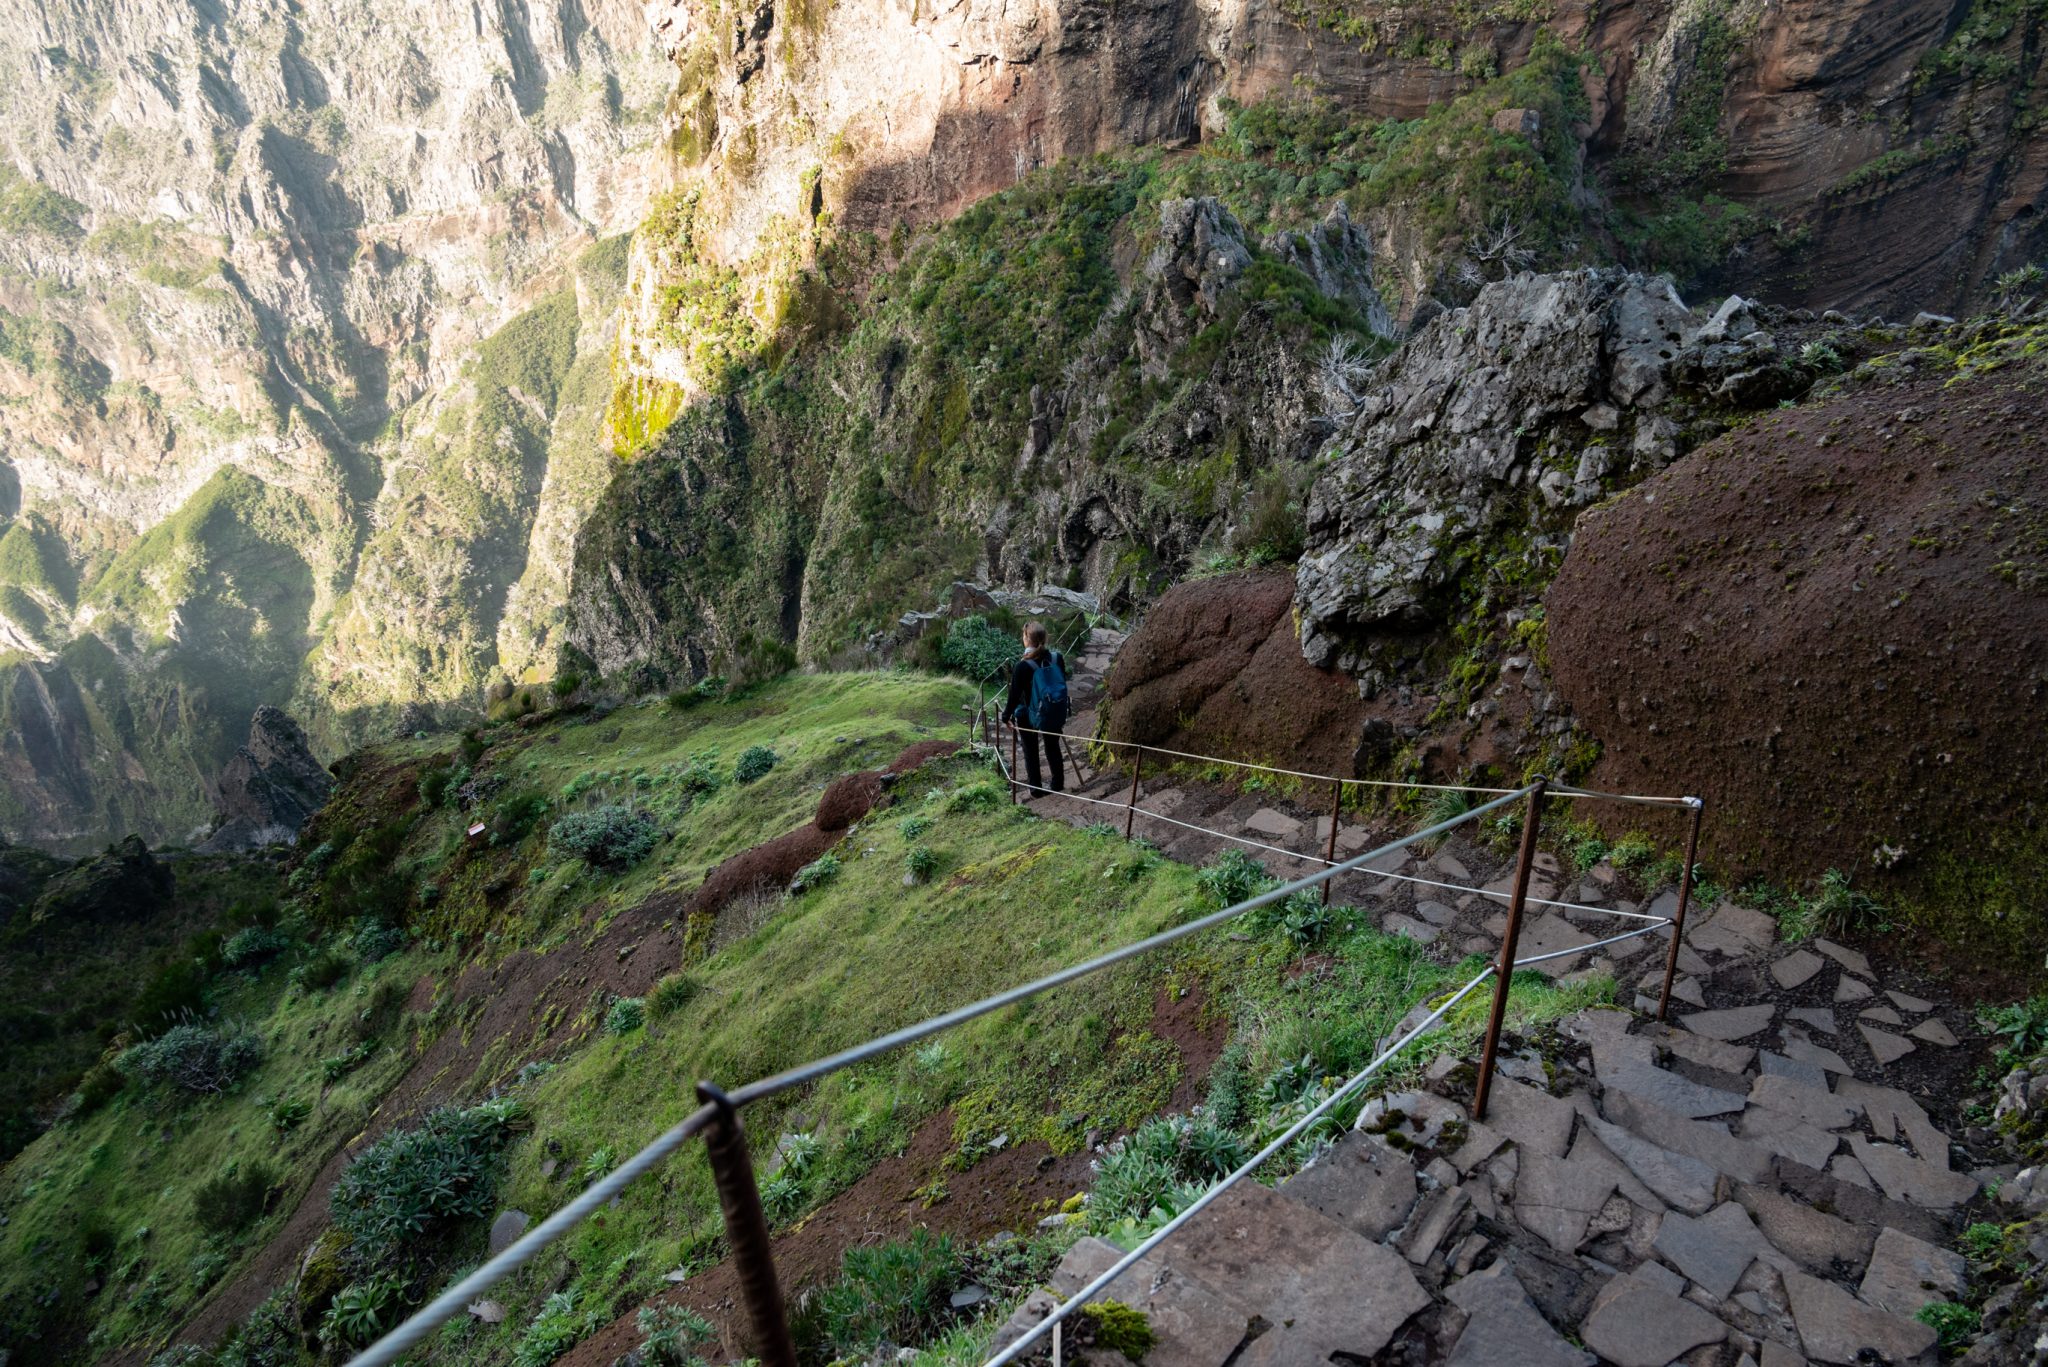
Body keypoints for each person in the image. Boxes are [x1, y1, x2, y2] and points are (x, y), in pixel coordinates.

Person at [1003, 621, 1070, 797]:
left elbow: (1014, 695)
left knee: (1030, 750)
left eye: (1023, 636)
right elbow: (1061, 682)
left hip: (1028, 713)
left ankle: (1036, 789)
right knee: (1052, 746)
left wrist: (1005, 716)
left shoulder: (1022, 666)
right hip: (1053, 708)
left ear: (1026, 638)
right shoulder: (1057, 658)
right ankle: (1057, 784)